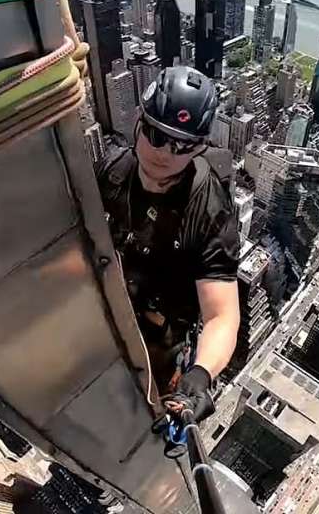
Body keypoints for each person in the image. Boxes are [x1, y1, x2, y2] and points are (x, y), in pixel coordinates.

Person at [96, 66, 240, 423]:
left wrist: (200, 375)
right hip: (100, 318)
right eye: (156, 135)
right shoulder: (112, 172)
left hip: (158, 350)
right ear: (138, 124)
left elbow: (222, 314)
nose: (164, 152)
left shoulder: (209, 211)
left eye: (182, 145)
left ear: (200, 148)